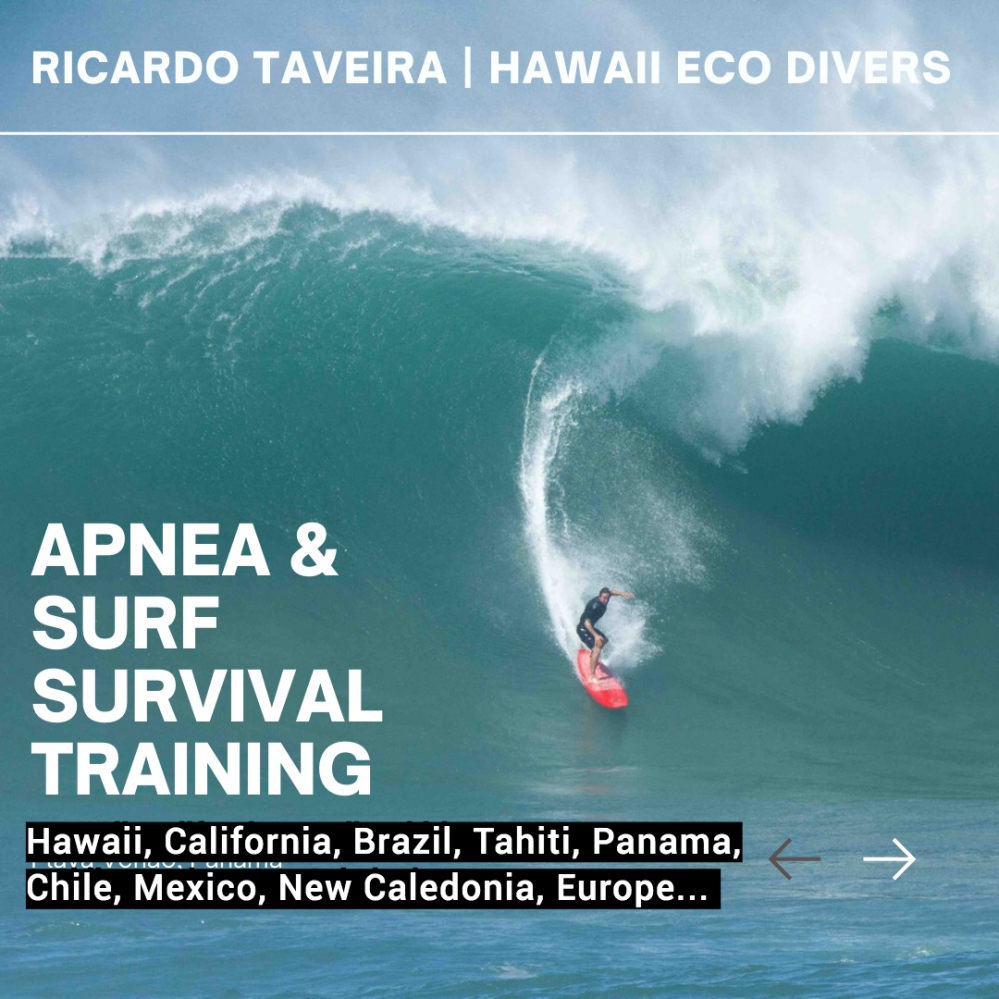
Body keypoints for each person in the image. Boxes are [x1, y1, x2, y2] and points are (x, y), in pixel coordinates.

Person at [577, 587, 634, 680]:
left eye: (607, 598)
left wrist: (623, 594)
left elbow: (612, 592)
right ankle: (591, 676)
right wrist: (595, 636)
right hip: (583, 629)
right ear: (599, 596)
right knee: (597, 649)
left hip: (590, 627)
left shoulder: (606, 596)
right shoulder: (594, 606)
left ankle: (593, 656)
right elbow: (586, 623)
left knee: (604, 640)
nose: (606, 600)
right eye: (603, 598)